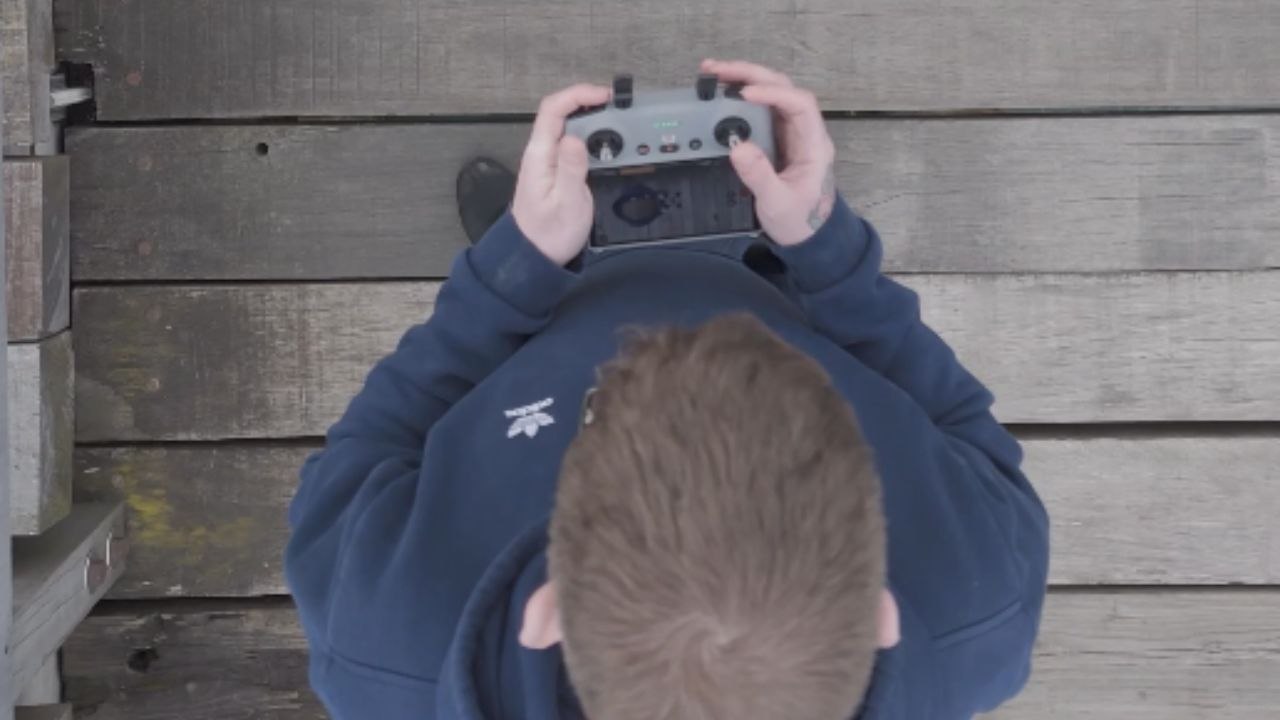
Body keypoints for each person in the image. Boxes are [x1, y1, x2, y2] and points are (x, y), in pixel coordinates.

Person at [285, 60, 1050, 720]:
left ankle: (570, 248)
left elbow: (368, 451)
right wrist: (825, 248)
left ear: (543, 615)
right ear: (883, 620)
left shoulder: (383, 643)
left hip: (544, 315)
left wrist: (509, 275)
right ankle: (751, 265)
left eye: (595, 412)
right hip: (776, 284)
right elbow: (958, 425)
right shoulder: (980, 604)